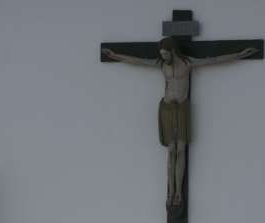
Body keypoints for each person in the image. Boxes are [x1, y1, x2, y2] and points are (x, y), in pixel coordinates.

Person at [102, 39, 256, 209]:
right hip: (167, 109)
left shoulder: (187, 63)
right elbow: (138, 61)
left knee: (180, 149)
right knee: (171, 151)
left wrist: (239, 55)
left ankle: (178, 192)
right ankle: (169, 191)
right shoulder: (162, 65)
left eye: (166, 54)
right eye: (162, 55)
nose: (164, 57)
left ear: (173, 51)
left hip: (182, 109)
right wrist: (115, 56)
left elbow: (214, 60)